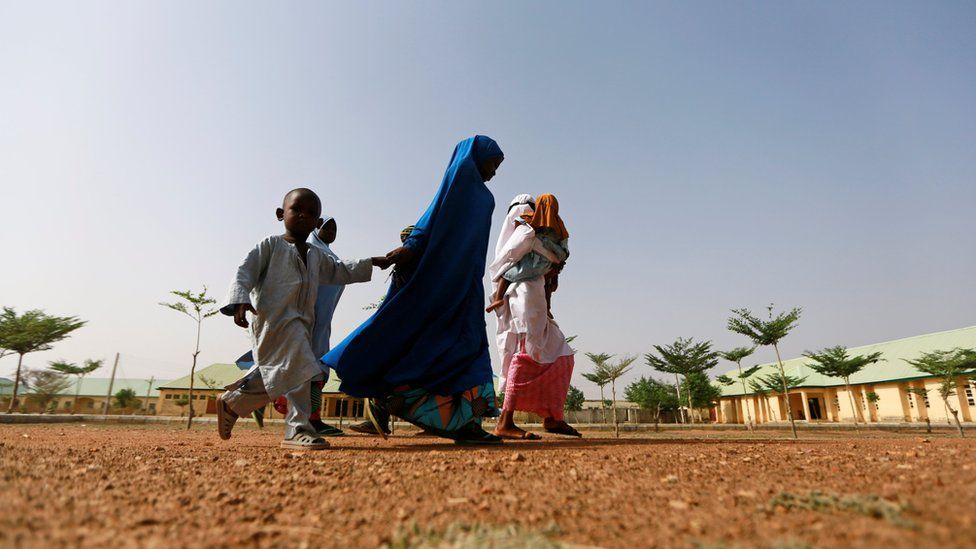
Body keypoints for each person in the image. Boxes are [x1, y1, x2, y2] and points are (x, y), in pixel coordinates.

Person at [323, 136, 505, 445]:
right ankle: (415, 408)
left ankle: (463, 420)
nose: (494, 172)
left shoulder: (486, 198)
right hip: (438, 282)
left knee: (467, 345)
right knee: (427, 344)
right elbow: (429, 220)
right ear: (476, 159)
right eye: (493, 164)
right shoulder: (456, 188)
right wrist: (411, 247)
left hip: (467, 284)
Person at [216, 188, 390, 450]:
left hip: (301, 325)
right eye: (296, 209)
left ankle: (233, 403)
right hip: (273, 323)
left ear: (316, 221)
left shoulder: (316, 255)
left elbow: (340, 270)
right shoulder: (269, 246)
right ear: (280, 214)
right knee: (305, 370)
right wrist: (240, 299)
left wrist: (375, 261)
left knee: (282, 373)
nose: (303, 216)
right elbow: (244, 272)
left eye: (311, 213)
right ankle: (297, 430)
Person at [488, 193, 580, 439]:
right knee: (524, 354)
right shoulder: (524, 234)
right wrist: (499, 296)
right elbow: (504, 269)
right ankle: (504, 422)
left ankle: (552, 416)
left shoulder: (542, 236)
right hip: (520, 301)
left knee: (561, 352)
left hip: (536, 299)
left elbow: (547, 272)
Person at [269, 216, 346, 436]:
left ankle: (313, 418)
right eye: (327, 226)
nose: (332, 231)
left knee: (317, 369)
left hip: (320, 323)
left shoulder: (328, 255)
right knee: (305, 369)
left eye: (335, 228)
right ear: (316, 226)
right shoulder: (308, 250)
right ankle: (309, 419)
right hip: (304, 320)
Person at [485, 196, 569, 314]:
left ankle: (498, 299)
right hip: (543, 270)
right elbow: (563, 252)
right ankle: (547, 308)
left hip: (531, 273)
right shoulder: (559, 230)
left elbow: (517, 244)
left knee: (506, 275)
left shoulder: (530, 229)